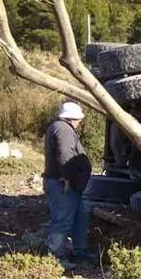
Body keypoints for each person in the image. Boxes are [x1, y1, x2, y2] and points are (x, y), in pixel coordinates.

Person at [43, 101, 94, 269]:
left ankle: (80, 251)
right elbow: (65, 154)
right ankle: (56, 258)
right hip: (63, 184)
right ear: (73, 118)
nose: (80, 122)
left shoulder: (58, 127)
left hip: (67, 184)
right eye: (79, 119)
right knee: (62, 221)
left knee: (80, 217)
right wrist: (66, 177)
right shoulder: (63, 129)